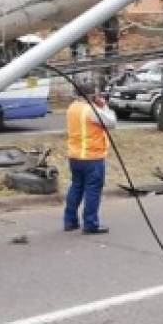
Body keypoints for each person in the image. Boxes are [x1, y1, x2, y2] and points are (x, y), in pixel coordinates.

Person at [63, 83, 118, 234]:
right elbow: (112, 122)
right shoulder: (91, 110)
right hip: (92, 157)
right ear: (92, 95)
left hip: (75, 157)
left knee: (76, 187)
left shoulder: (72, 107)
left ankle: (70, 221)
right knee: (93, 191)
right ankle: (90, 224)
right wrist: (104, 106)